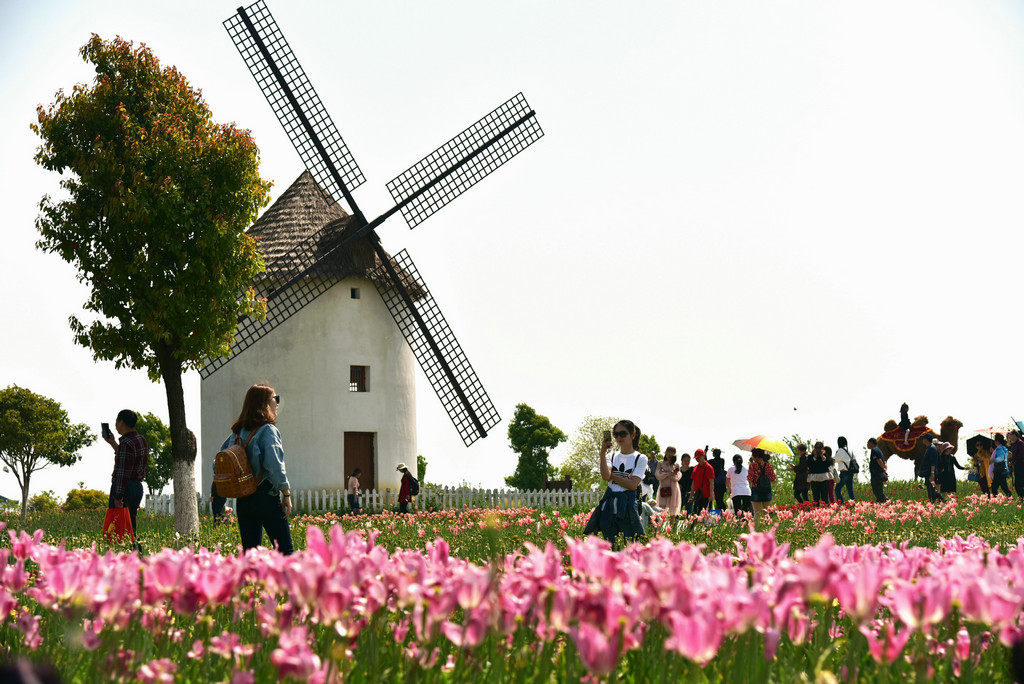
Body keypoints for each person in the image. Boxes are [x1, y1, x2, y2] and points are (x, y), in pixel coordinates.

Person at [222, 384, 293, 555]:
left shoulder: (236, 433)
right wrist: (286, 493)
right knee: (286, 552)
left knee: (251, 557)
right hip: (266, 495)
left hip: (244, 499)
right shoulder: (268, 430)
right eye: (275, 399)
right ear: (265, 404)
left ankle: (251, 583)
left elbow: (220, 459)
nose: (277, 403)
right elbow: (274, 465)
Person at [582, 419, 647, 548]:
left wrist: (613, 476)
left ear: (633, 435)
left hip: (628, 508)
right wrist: (602, 452)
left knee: (629, 547)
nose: (618, 437)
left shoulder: (640, 458)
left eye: (622, 434)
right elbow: (606, 476)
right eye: (615, 434)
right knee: (610, 547)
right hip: (609, 508)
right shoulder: (611, 456)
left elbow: (633, 485)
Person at [103, 409, 148, 543]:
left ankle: (127, 556)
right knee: (130, 526)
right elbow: (129, 459)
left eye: (117, 421)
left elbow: (123, 471)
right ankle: (137, 554)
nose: (116, 424)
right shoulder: (141, 440)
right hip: (137, 487)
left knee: (119, 529)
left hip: (125, 487)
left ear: (122, 422)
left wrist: (118, 496)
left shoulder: (126, 443)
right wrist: (113, 443)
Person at [747, 448, 776, 522]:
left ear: (756, 456)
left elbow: (749, 479)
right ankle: (766, 529)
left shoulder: (752, 466)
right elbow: (773, 478)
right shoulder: (768, 465)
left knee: (757, 513)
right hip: (767, 490)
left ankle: (757, 529)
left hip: (756, 489)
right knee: (766, 513)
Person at [655, 451, 682, 519]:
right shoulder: (661, 463)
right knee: (661, 508)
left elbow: (678, 477)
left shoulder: (676, 465)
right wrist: (668, 474)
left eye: (671, 454)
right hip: (664, 487)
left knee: (673, 508)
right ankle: (660, 527)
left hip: (674, 488)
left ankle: (671, 527)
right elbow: (658, 475)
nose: (669, 455)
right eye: (668, 454)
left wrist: (668, 475)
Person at [690, 449, 715, 514]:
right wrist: (691, 493)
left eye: (699, 457)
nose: (697, 459)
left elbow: (711, 482)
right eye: (696, 458)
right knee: (695, 513)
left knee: (706, 515)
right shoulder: (695, 468)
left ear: (703, 456)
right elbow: (693, 481)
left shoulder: (709, 467)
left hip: (707, 495)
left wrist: (711, 494)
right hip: (698, 495)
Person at [921, 433, 942, 503]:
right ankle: (941, 500)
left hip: (930, 473)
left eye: (923, 438)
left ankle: (935, 502)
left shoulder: (932, 449)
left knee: (931, 490)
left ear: (926, 440)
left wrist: (932, 473)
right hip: (928, 472)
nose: (922, 440)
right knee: (930, 490)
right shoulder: (929, 448)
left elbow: (933, 462)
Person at [834, 436, 856, 503]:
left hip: (844, 473)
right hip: (851, 472)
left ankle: (841, 504)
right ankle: (853, 504)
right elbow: (854, 460)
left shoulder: (840, 450)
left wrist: (836, 453)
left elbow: (835, 460)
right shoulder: (850, 451)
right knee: (850, 490)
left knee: (837, 489)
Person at [867, 438, 888, 502]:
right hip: (880, 473)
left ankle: (888, 501)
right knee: (879, 490)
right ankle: (879, 503)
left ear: (871, 443)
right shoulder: (879, 450)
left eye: (868, 443)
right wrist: (885, 470)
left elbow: (879, 460)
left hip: (876, 474)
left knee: (876, 490)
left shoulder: (874, 450)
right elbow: (884, 462)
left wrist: (883, 469)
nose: (867, 445)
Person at [1010, 431, 1024, 499]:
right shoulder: (1014, 444)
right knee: (1017, 484)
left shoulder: (1020, 443)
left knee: (1019, 483)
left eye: (1011, 435)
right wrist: (1012, 461)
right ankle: (1021, 497)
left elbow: (1022, 455)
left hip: (1021, 465)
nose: (1009, 436)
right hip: (1016, 465)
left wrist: (1013, 456)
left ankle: (1022, 497)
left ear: (1015, 435)